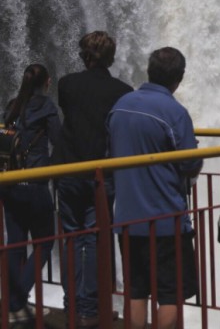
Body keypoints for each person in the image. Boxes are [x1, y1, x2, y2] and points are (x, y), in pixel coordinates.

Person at [107, 47, 201, 329]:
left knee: (136, 292)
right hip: (165, 221)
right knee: (170, 295)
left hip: (126, 219)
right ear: (179, 78)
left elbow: (109, 153)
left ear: (149, 71)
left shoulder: (120, 105)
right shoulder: (174, 112)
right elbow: (190, 164)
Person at [53, 30, 133, 328]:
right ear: (110, 57)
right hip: (100, 172)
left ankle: (70, 304)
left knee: (71, 237)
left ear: (85, 55)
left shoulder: (66, 85)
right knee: (94, 237)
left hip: (66, 170)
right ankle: (90, 307)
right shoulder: (123, 91)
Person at [2, 64, 61, 323]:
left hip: (11, 184)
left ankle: (15, 303)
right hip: (36, 185)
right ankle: (16, 301)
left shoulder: (13, 106)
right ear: (46, 82)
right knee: (44, 243)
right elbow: (59, 140)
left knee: (16, 244)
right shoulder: (47, 107)